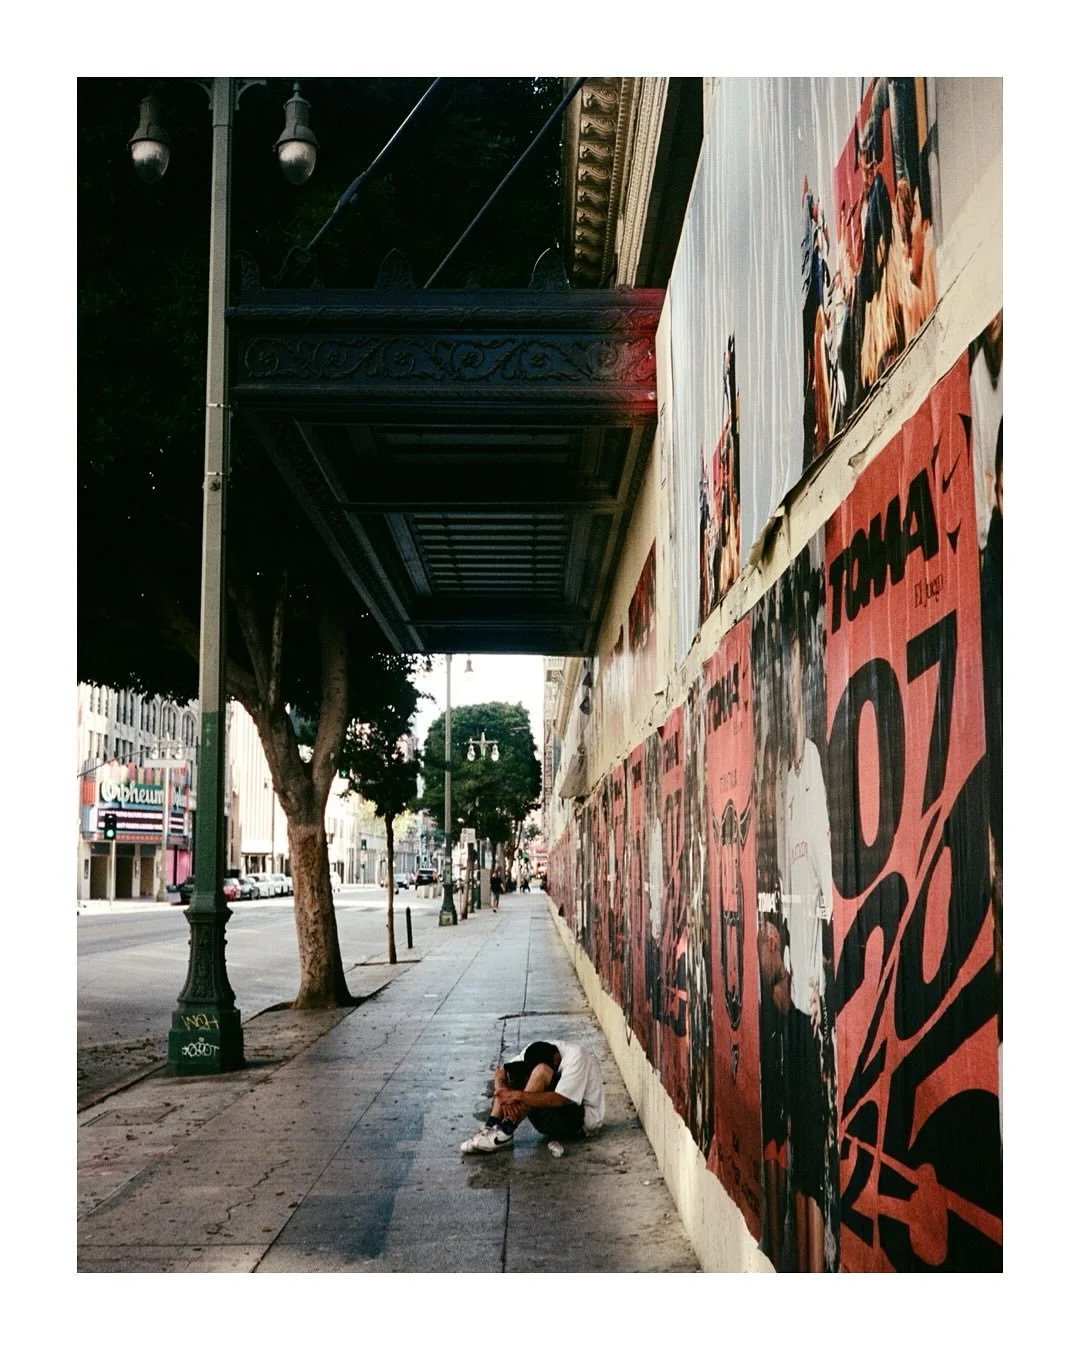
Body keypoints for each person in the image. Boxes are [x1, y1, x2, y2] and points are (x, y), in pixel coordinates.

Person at [461, 1039, 605, 1153]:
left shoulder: (577, 1057)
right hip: (556, 1116)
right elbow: (501, 1072)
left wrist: (516, 1095)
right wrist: (502, 1092)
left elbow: (558, 1100)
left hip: (581, 1123)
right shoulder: (534, 1049)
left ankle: (505, 1131)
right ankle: (491, 1127)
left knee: (541, 1071)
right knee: (514, 1074)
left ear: (555, 1059)